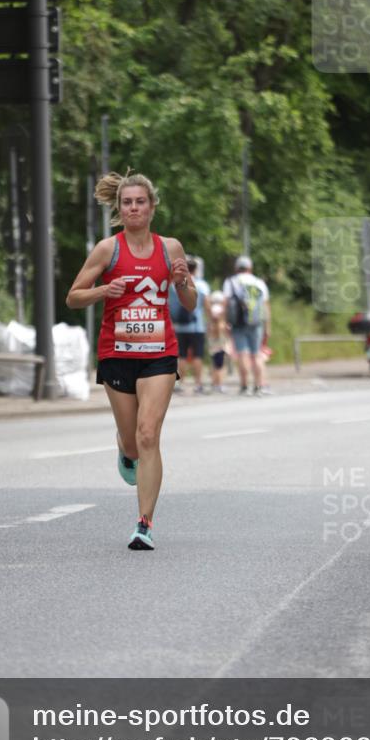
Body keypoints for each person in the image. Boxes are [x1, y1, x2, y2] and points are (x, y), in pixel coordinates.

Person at [66, 170, 196, 549]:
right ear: (119, 209)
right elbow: (73, 296)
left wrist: (183, 280)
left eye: (140, 201)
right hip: (117, 353)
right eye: (127, 202)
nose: (134, 208)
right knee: (131, 442)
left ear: (152, 207)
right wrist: (105, 289)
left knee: (149, 433)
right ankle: (125, 453)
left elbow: (189, 303)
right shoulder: (108, 249)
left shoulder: (170, 247)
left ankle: (144, 524)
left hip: (159, 353)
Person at [223, 256, 271, 395]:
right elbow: (266, 306)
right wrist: (268, 327)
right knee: (256, 354)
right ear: (250, 268)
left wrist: (226, 322)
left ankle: (244, 386)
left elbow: (226, 304)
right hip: (257, 323)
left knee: (242, 354)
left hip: (238, 323)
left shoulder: (231, 281)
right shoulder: (259, 282)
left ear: (237, 268)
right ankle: (259, 385)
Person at [168, 257, 211, 393]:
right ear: (196, 269)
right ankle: (198, 384)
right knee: (198, 355)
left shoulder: (174, 285)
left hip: (179, 325)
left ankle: (180, 384)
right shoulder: (202, 284)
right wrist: (209, 321)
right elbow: (207, 305)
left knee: (182, 356)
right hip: (197, 326)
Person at [206, 290, 231, 393]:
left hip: (212, 341)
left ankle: (214, 382)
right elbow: (222, 325)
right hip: (220, 341)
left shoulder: (211, 310)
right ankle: (219, 384)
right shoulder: (221, 310)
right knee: (220, 364)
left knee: (214, 363)